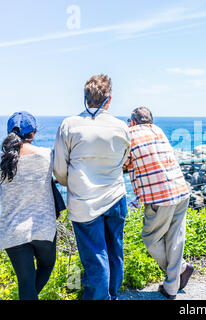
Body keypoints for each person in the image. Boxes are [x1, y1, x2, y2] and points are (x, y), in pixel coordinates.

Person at [53, 75, 131, 300]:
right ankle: (112, 294)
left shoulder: (70, 124)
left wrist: (71, 182)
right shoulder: (121, 127)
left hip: (84, 200)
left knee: (95, 256)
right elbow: (123, 161)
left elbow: (59, 168)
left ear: (85, 97)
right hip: (116, 196)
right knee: (115, 251)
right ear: (109, 99)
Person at [125, 107, 192, 300]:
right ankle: (172, 287)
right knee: (175, 238)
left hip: (159, 197)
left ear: (132, 122)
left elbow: (125, 162)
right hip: (180, 189)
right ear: (150, 121)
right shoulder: (158, 130)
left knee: (151, 238)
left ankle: (180, 269)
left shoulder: (129, 134)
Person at [0, 112, 57, 300]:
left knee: (25, 281)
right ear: (33, 133)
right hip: (43, 228)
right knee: (46, 266)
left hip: (12, 231)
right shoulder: (48, 155)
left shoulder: (3, 161)